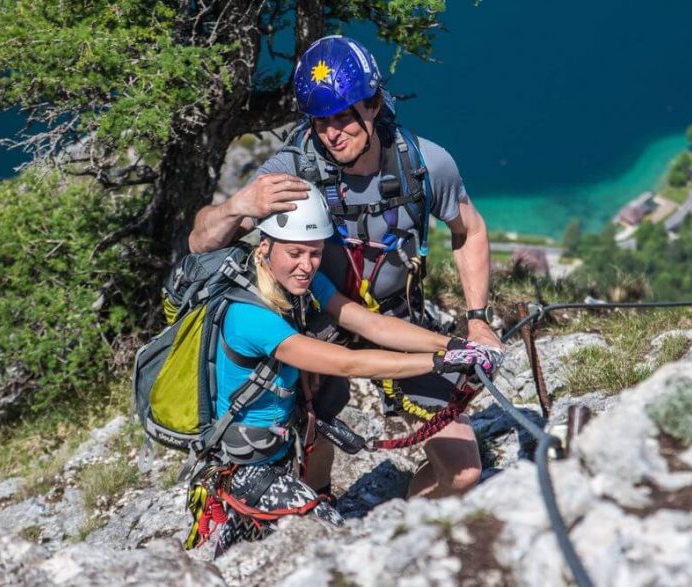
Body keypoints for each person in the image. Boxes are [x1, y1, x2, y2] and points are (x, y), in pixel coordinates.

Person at [189, 35, 501, 499]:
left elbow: (469, 230)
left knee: (462, 474)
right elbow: (200, 241)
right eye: (320, 122)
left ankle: (403, 524)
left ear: (373, 105)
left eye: (343, 117)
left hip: (395, 320)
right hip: (313, 324)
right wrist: (238, 205)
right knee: (310, 459)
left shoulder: (424, 165)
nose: (333, 133)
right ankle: (322, 519)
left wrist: (475, 324)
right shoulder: (291, 172)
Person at [210, 185, 500, 553]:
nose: (306, 265)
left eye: (315, 253)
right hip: (248, 469)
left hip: (283, 447)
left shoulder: (303, 283)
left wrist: (453, 345)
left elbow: (367, 323)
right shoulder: (250, 316)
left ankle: (316, 498)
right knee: (335, 548)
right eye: (295, 253)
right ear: (264, 247)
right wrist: (438, 362)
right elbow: (348, 362)